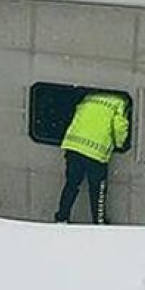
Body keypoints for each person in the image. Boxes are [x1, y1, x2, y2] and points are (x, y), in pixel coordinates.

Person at [55, 90, 130, 224]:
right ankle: (98, 221)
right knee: (97, 189)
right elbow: (119, 126)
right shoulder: (120, 102)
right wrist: (120, 144)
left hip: (74, 146)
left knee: (71, 184)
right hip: (95, 151)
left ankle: (62, 217)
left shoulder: (90, 97)